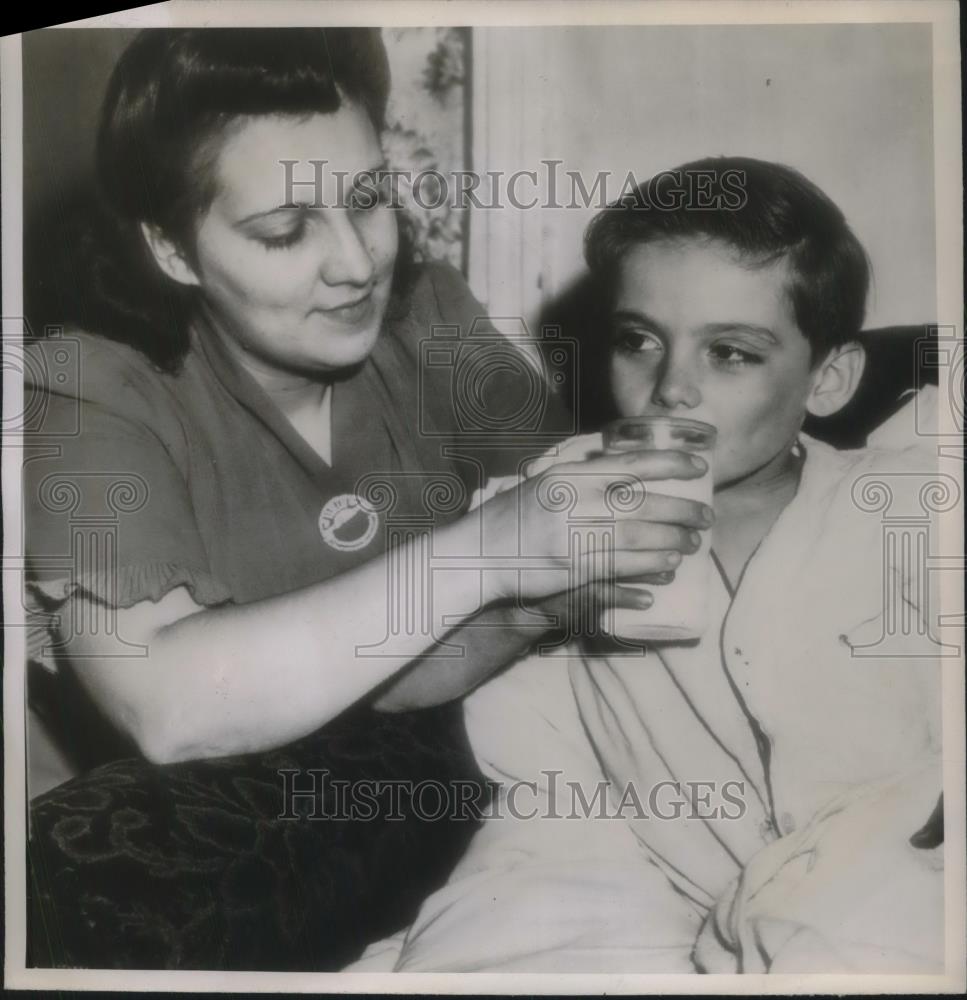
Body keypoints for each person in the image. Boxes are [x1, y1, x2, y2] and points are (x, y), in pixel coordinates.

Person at [23, 29, 711, 969]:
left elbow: (564, 571)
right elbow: (169, 707)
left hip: (452, 788)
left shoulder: (429, 317)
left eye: (368, 199)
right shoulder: (85, 390)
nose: (356, 263)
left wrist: (532, 590)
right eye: (284, 231)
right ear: (171, 248)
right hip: (197, 868)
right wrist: (494, 552)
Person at [357, 157, 945, 973]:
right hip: (635, 888)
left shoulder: (906, 508)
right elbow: (387, 677)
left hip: (874, 881)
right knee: (491, 939)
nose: (670, 388)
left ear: (828, 377)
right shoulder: (555, 501)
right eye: (638, 341)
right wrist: (535, 605)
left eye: (730, 354)